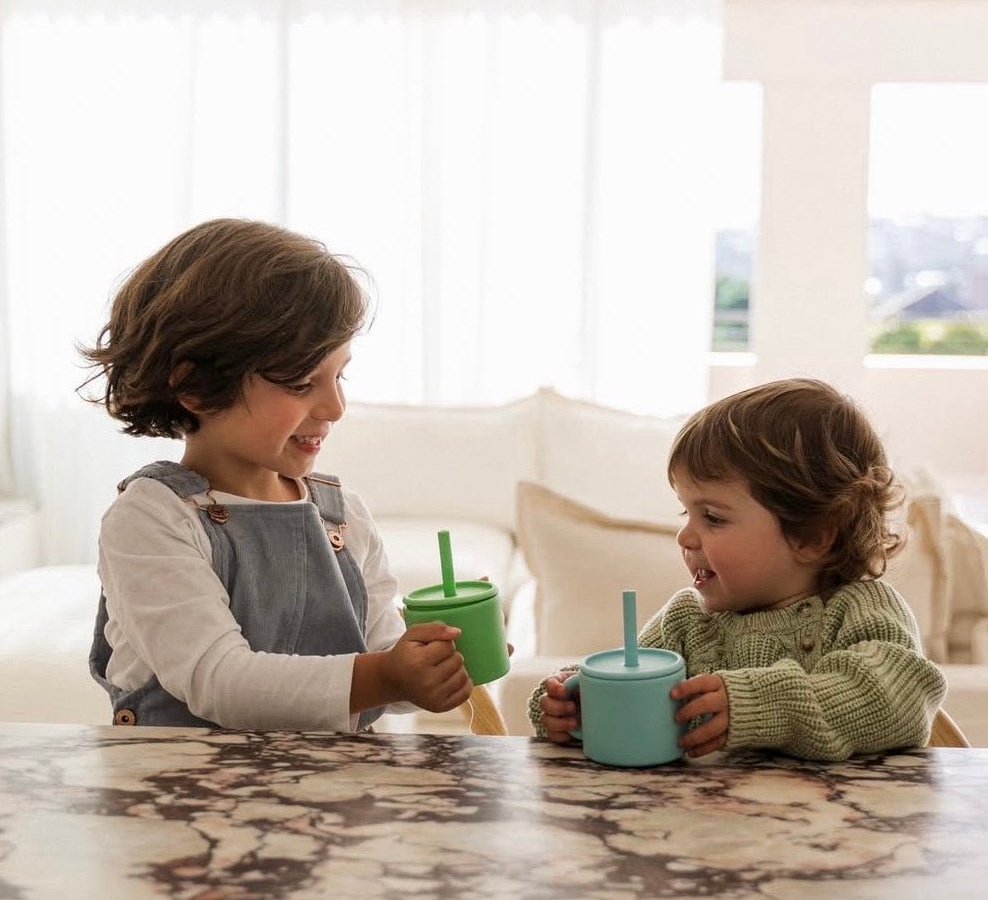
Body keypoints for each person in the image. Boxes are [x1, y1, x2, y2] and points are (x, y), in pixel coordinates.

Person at [79, 217, 473, 731]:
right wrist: (390, 677)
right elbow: (219, 679)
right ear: (195, 387)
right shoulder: (152, 518)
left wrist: (431, 663)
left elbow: (381, 655)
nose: (335, 407)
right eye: (303, 382)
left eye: (339, 375)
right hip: (185, 798)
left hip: (329, 799)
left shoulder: (342, 514)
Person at [530, 377, 947, 761]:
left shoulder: (862, 609)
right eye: (686, 512)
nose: (685, 537)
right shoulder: (686, 623)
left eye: (712, 517)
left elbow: (898, 699)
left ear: (813, 535)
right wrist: (574, 708)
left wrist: (762, 703)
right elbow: (634, 691)